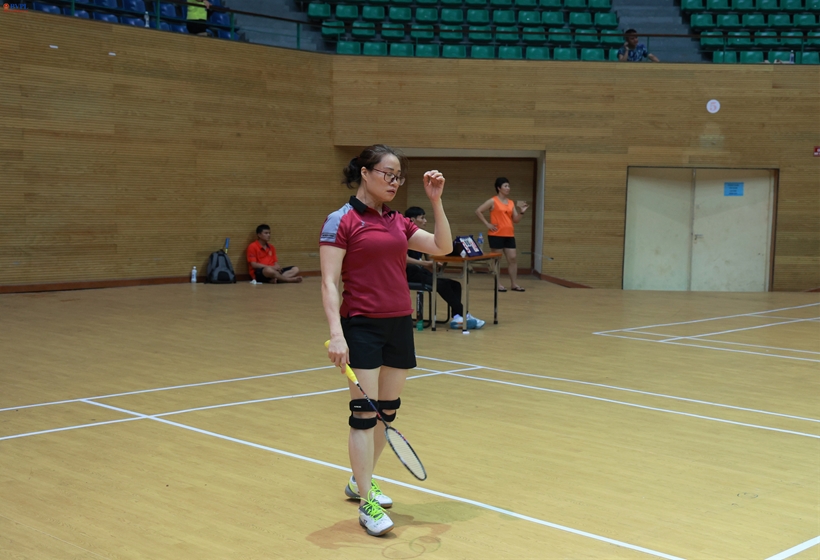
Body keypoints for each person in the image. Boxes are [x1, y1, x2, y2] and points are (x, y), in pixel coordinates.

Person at [320, 145, 452, 537]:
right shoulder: (341, 220)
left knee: (386, 413)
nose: (394, 182)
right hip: (361, 325)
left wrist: (436, 201)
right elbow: (329, 282)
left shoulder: (398, 222)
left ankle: (359, 480)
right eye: (387, 174)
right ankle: (367, 502)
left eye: (398, 177)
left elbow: (443, 247)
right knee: (364, 412)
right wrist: (336, 334)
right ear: (365, 172)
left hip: (398, 324)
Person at [404, 206, 485, 330]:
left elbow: (429, 257)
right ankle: (464, 315)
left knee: (455, 285)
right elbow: (404, 259)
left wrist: (436, 263)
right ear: (412, 220)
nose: (425, 221)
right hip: (408, 273)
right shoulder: (404, 236)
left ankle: (457, 317)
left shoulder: (420, 236)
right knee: (442, 285)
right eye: (422, 218)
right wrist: (426, 264)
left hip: (421, 271)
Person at [475, 177, 529, 292]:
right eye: (505, 186)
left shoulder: (511, 203)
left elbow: (516, 220)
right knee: (497, 260)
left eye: (509, 186)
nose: (508, 188)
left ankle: (514, 284)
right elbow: (478, 211)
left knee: (513, 258)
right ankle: (498, 283)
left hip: (509, 235)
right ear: (499, 188)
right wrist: (487, 224)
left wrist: (522, 212)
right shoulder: (493, 201)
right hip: (496, 235)